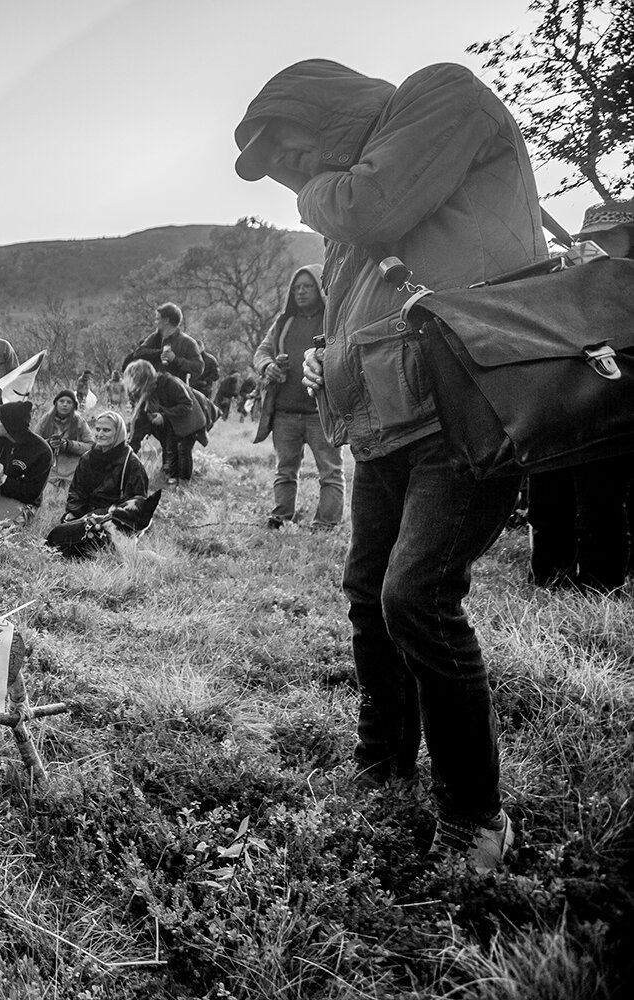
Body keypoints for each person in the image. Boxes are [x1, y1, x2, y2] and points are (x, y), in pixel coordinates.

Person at [235, 58, 548, 870]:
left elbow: (375, 205)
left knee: (416, 596)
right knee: (367, 594)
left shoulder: (437, 97)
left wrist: (316, 190)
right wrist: (327, 365)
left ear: (325, 110)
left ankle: (475, 818)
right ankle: (382, 764)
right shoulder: (349, 208)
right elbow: (361, 310)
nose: (290, 178)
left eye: (289, 153)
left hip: (465, 409)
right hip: (384, 424)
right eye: (281, 174)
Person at [526, 199, 634, 593]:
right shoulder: (566, 273)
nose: (600, 243)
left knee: (601, 503)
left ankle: (599, 588)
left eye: (610, 235)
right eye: (593, 236)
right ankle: (549, 581)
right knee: (548, 499)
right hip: (559, 400)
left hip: (613, 406)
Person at [252, 266, 344, 529]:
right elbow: (262, 351)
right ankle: (280, 517)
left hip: (321, 412)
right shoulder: (283, 322)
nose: (301, 292)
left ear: (319, 288)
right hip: (284, 411)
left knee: (330, 472)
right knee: (285, 470)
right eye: (297, 287)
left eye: (307, 286)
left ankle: (326, 524)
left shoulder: (333, 319)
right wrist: (267, 365)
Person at [45, 411, 159, 558]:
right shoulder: (87, 458)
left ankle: (146, 556)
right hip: (86, 517)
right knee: (57, 540)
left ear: (118, 433)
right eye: (97, 429)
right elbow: (77, 491)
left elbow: (136, 505)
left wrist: (104, 516)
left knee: (100, 554)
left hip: (114, 522)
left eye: (106, 430)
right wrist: (73, 512)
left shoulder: (131, 463)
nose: (100, 434)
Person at [121, 302, 203, 460]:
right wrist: (159, 353)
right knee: (137, 431)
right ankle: (124, 467)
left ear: (166, 320)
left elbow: (198, 368)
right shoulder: (154, 338)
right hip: (149, 394)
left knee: (170, 440)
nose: (155, 321)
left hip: (174, 397)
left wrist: (176, 360)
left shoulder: (187, 342)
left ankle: (169, 473)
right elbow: (138, 353)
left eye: (157, 318)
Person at [123, 359, 211, 485]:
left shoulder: (170, 383)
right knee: (168, 447)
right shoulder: (141, 391)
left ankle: (183, 483)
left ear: (144, 378)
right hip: (169, 422)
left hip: (189, 421)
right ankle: (169, 477)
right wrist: (127, 452)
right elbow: (139, 425)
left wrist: (164, 416)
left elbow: (187, 404)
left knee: (182, 449)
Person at [36, 390, 95, 487]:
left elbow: (90, 445)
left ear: (74, 406)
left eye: (69, 402)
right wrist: (49, 444)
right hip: (48, 473)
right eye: (61, 401)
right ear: (56, 403)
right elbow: (35, 444)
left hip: (72, 474)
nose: (65, 405)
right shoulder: (45, 420)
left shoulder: (80, 422)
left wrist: (69, 445)